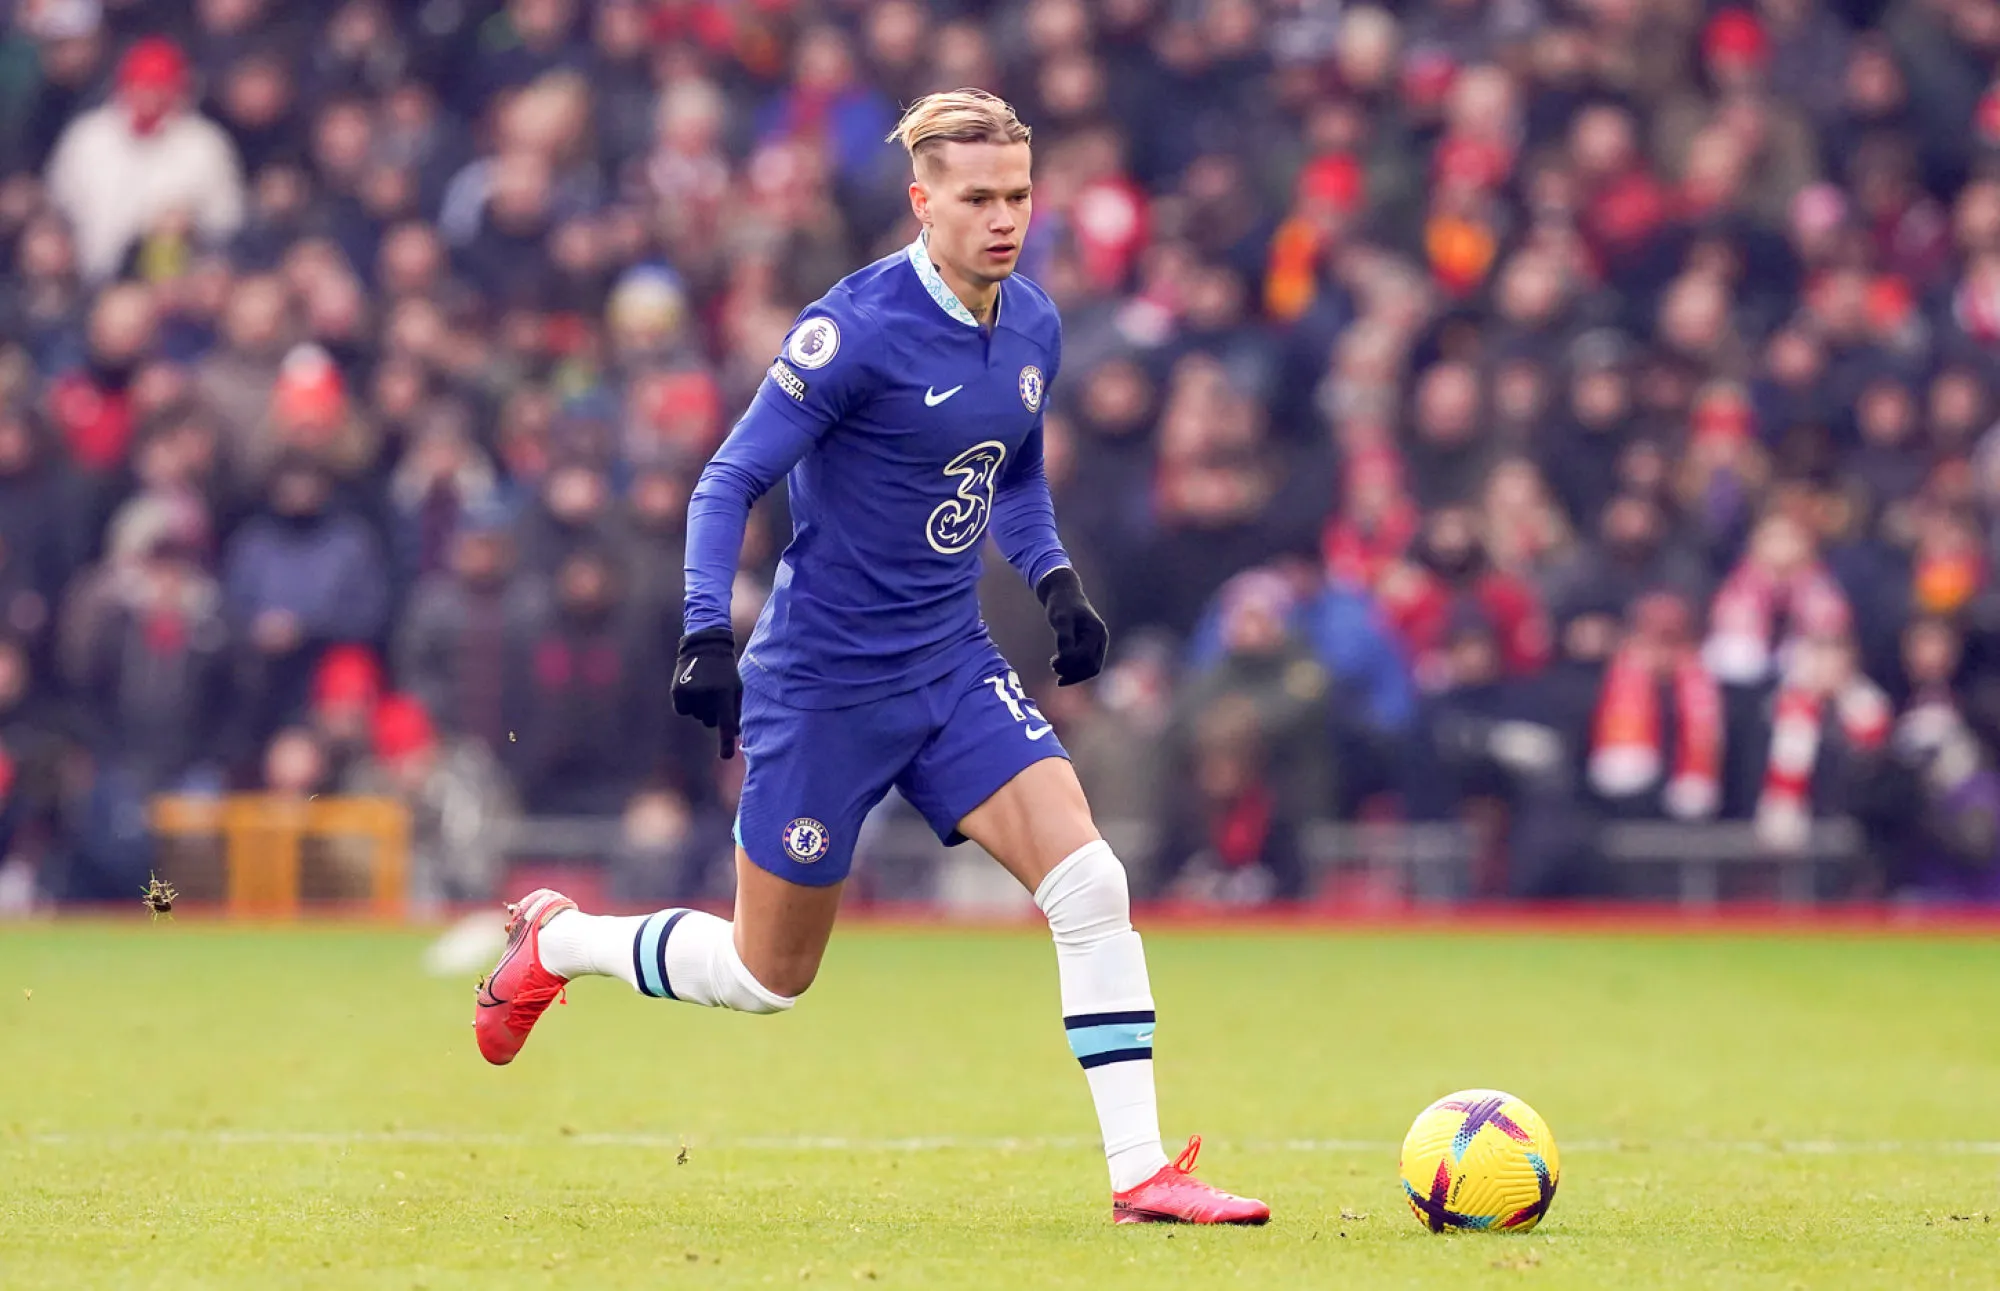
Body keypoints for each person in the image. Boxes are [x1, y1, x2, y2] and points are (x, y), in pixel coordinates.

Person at [471, 89, 1267, 1226]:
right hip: (823, 685)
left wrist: (1051, 580)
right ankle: (562, 938)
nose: (1003, 219)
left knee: (1090, 880)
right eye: (978, 197)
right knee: (766, 977)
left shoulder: (1033, 324)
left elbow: (1016, 473)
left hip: (948, 663)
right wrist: (706, 631)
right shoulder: (849, 332)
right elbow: (726, 480)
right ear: (920, 201)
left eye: (1019, 196)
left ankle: (1140, 1173)